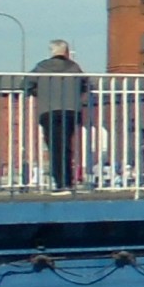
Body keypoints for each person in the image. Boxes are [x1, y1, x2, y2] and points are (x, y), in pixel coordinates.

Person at [24, 39, 91, 192]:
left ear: (52, 51)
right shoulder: (74, 68)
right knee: (67, 145)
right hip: (70, 111)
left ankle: (60, 182)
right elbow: (86, 84)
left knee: (54, 147)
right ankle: (68, 181)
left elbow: (26, 85)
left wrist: (39, 92)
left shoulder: (41, 68)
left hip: (49, 111)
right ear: (66, 52)